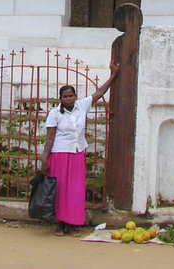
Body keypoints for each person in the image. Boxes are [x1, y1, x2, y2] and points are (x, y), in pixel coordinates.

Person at [41, 61, 120, 236]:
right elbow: (49, 138)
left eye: (71, 96)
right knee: (60, 191)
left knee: (75, 190)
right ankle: (60, 224)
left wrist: (112, 76)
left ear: (75, 96)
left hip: (77, 153)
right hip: (59, 155)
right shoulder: (54, 114)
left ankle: (73, 224)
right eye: (65, 97)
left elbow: (99, 92)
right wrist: (44, 160)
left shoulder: (82, 106)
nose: (68, 99)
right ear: (60, 98)